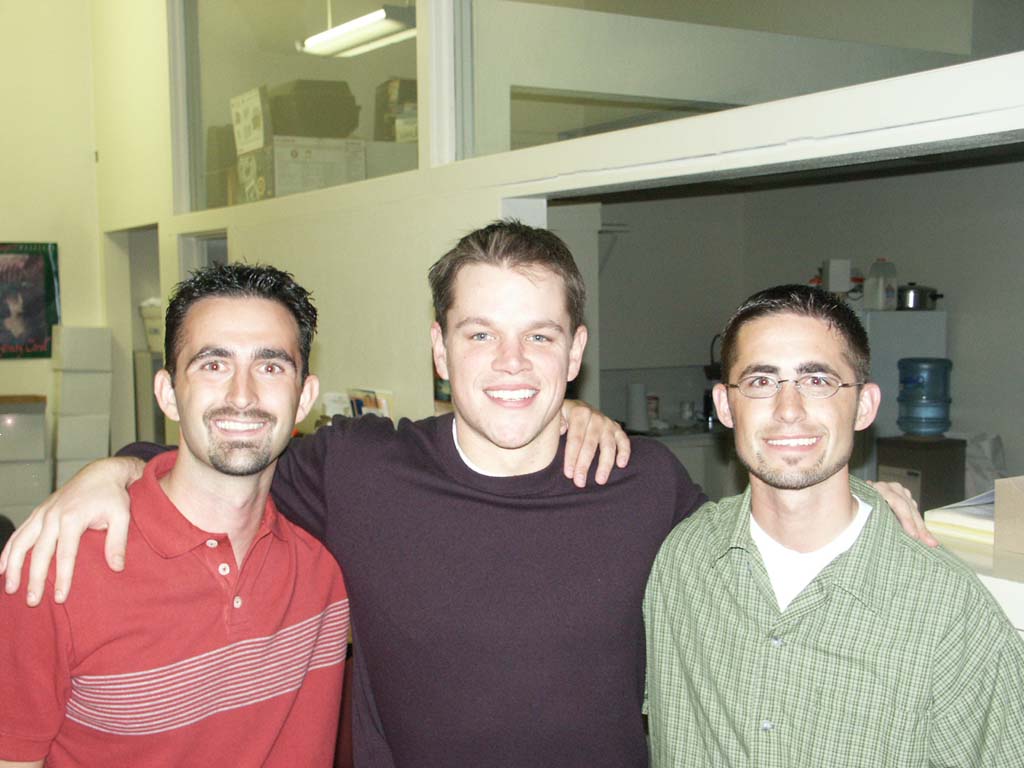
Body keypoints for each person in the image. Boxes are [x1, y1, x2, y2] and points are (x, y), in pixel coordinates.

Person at [1, 225, 924, 767]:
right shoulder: (359, 470)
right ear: (440, 352)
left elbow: (761, 542)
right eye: (480, 335)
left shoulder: (639, 481)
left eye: (538, 338)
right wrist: (110, 470)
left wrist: (868, 500)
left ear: (575, 352)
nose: (511, 366)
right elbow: (230, 453)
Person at [643, 284, 1024, 767]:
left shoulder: (946, 610)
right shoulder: (684, 562)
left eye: (817, 381)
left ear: (864, 406)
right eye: (761, 382)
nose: (788, 410)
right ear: (724, 405)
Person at [0, 264, 350, 766]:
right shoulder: (54, 567)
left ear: (305, 398)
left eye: (271, 366)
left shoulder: (325, 568)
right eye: (213, 365)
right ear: (167, 393)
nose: (242, 395)